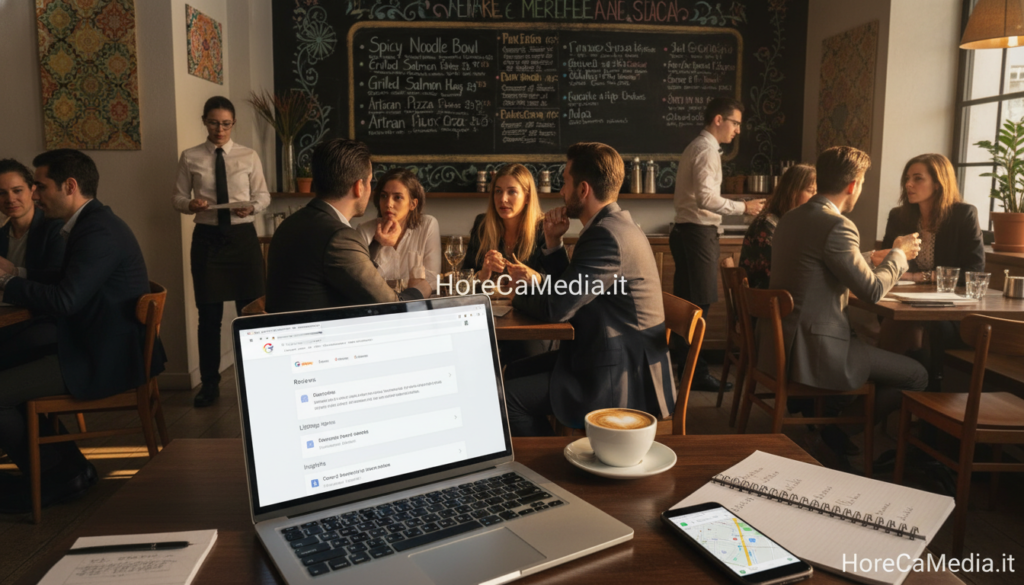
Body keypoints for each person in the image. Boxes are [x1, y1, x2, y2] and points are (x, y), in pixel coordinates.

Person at [0, 149, 165, 513]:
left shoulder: (97, 230)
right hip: (97, 343)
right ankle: (70, 469)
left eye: (40, 186)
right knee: (14, 364)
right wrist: (18, 274)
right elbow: (68, 282)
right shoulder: (93, 223)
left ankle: (55, 480)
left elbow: (64, 301)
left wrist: (7, 282)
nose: (35, 194)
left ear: (69, 186)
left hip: (103, 356)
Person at [761, 146, 928, 465]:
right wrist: (898, 253)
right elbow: (873, 291)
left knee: (876, 348)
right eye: (863, 183)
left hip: (781, 344)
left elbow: (816, 267)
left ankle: (830, 435)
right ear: (853, 184)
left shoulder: (790, 219)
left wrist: (868, 259)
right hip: (817, 351)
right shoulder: (838, 225)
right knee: (917, 374)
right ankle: (830, 435)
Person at [504, 142, 675, 436]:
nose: (561, 191)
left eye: (565, 183)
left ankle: (551, 466)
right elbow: (573, 293)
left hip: (618, 376)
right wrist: (554, 244)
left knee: (505, 399)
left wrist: (513, 294)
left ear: (583, 190)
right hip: (602, 354)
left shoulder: (606, 236)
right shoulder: (613, 225)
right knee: (512, 372)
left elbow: (556, 308)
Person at [172, 96, 269, 407]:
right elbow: (176, 197)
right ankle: (209, 384)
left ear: (233, 124)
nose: (220, 129)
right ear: (204, 121)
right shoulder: (190, 157)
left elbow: (263, 195)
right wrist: (191, 204)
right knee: (209, 317)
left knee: (252, 313)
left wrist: (252, 207)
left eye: (226, 123)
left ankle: (259, 382)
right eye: (214, 122)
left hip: (242, 239)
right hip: (208, 241)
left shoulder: (248, 155)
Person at [265, 139, 430, 312]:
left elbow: (351, 276)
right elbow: (391, 305)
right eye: (369, 182)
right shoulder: (338, 237)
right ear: (359, 187)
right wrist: (420, 290)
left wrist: (377, 243)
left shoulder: (293, 223)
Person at [671, 97, 764, 391]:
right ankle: (695, 376)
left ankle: (679, 371)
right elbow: (706, 200)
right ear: (719, 120)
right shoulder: (707, 151)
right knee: (698, 307)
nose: (738, 130)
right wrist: (744, 208)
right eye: (736, 123)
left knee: (686, 306)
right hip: (698, 233)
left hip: (688, 232)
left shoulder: (698, 147)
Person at [877, 153, 985, 377]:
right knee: (900, 319)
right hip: (903, 301)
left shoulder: (963, 215)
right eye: (907, 178)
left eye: (918, 178)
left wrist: (919, 278)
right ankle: (906, 390)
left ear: (938, 184)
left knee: (915, 325)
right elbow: (883, 260)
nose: (909, 184)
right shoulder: (899, 216)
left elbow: (974, 272)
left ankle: (904, 392)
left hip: (951, 310)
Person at [0, 159, 65, 370]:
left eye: (17, 190)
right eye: (1, 193)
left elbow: (55, 280)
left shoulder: (54, 229)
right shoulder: (1, 234)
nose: (10, 199)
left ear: (32, 190)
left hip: (44, 321)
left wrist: (11, 272)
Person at [356, 168, 441, 291]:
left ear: (413, 204)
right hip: (378, 306)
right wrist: (377, 244)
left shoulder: (428, 225)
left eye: (397, 197)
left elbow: (432, 279)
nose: (388, 203)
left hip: (415, 304)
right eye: (384, 196)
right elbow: (360, 280)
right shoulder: (364, 230)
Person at [464, 163, 546, 284]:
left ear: (527, 197)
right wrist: (482, 274)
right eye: (498, 191)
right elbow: (463, 280)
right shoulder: (482, 224)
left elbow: (558, 283)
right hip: (492, 302)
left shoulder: (544, 227)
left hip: (528, 302)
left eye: (512, 192)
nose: (502, 199)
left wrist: (535, 277)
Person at [739, 164, 817, 290]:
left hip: (779, 296)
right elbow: (781, 269)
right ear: (792, 191)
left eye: (817, 192)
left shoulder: (787, 221)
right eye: (810, 190)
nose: (815, 197)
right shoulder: (767, 224)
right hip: (765, 300)